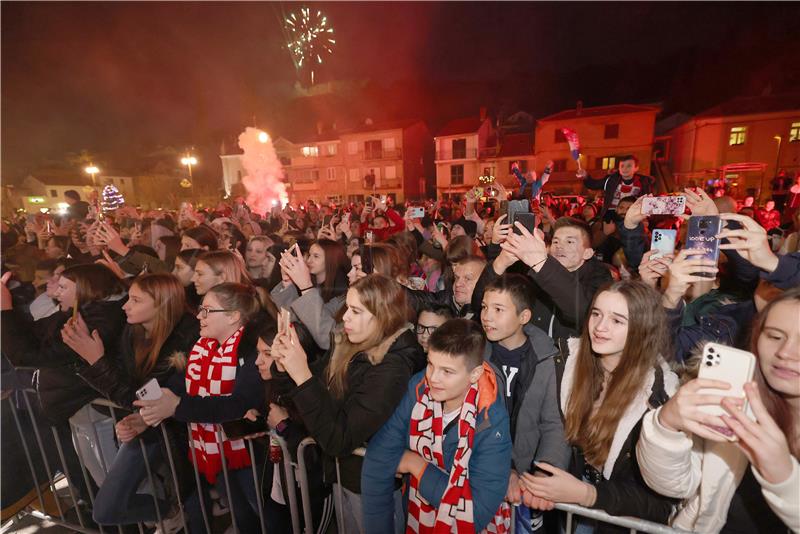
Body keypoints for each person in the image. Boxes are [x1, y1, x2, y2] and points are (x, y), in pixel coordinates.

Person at [519, 280, 679, 533]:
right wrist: (546, 473)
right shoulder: (569, 364)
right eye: (596, 314)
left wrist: (587, 494)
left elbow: (660, 504)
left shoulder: (658, 397)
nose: (600, 327)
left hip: (615, 514)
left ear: (642, 328)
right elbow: (553, 429)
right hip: (572, 501)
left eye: (617, 320)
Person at [270, 274, 425, 534]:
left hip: (370, 484)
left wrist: (301, 374)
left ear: (383, 315)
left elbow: (340, 438)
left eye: (356, 311)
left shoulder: (393, 365)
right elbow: (314, 392)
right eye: (347, 309)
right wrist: (285, 366)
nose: (345, 318)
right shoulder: (349, 345)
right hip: (343, 475)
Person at [637, 289, 800, 534]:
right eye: (775, 336)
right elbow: (674, 486)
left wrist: (784, 478)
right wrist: (665, 426)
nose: (785, 353)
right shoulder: (734, 397)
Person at [61, 273, 199, 527]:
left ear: (162, 304)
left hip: (179, 434)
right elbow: (130, 389)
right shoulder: (132, 331)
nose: (125, 305)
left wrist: (96, 361)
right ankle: (170, 511)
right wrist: (95, 358)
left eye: (135, 300)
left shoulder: (186, 337)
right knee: (106, 510)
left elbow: (141, 397)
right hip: (148, 428)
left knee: (198, 504)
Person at [134, 283, 267, 534]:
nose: (198, 316)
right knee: (243, 517)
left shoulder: (250, 350)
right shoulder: (202, 347)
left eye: (207, 310)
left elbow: (240, 403)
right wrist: (160, 398)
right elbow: (186, 386)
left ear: (233, 316)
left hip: (249, 453)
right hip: (218, 450)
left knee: (268, 517)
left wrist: (177, 405)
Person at [361, 318, 512, 533]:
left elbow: (475, 514)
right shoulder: (418, 386)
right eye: (431, 364)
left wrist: (417, 465)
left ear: (475, 374)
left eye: (447, 372)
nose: (433, 378)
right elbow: (378, 460)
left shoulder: (491, 420)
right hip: (417, 520)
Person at [480, 275, 570, 532]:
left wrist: (545, 472)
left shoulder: (548, 360)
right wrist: (503, 468)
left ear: (524, 317)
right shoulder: (476, 354)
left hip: (529, 481)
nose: (487, 316)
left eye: (498, 309)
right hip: (485, 473)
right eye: (485, 307)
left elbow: (554, 423)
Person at [491, 217, 613, 344]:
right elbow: (494, 287)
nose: (560, 246)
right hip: (533, 353)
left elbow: (584, 311)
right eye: (555, 242)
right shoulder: (536, 270)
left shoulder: (598, 275)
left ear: (587, 253)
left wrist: (541, 265)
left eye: (569, 242)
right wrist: (496, 245)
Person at [578, 155, 654, 220]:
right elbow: (594, 185)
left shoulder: (643, 182)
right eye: (622, 166)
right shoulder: (611, 180)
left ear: (636, 168)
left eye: (629, 166)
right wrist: (586, 176)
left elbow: (648, 202)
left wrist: (646, 218)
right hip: (612, 214)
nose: (625, 168)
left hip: (632, 215)